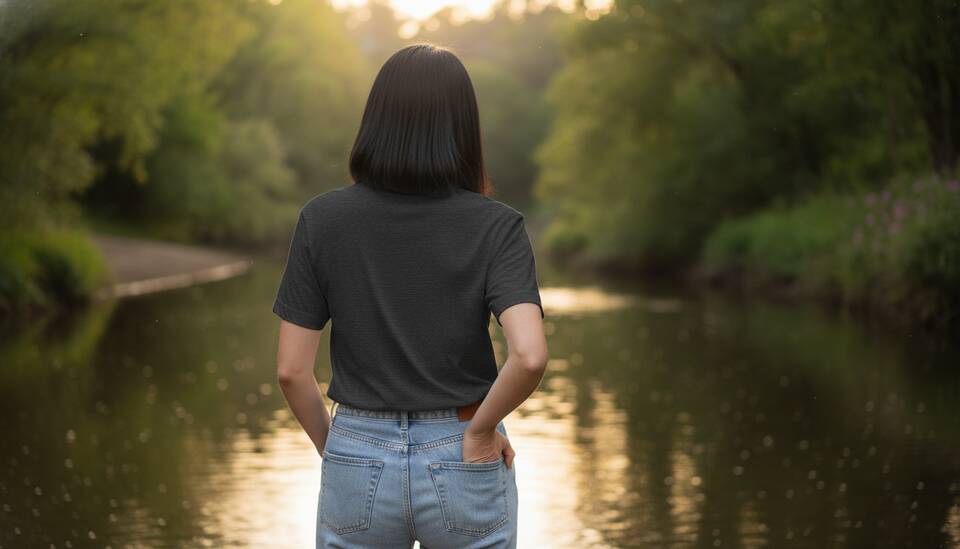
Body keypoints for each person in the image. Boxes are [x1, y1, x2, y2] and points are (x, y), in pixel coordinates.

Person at [271, 43, 548, 549]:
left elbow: (292, 371)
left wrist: (343, 453)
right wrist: (482, 430)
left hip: (357, 446)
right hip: (462, 447)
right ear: (463, 127)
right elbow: (528, 356)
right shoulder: (497, 226)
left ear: (376, 121)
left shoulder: (322, 220)